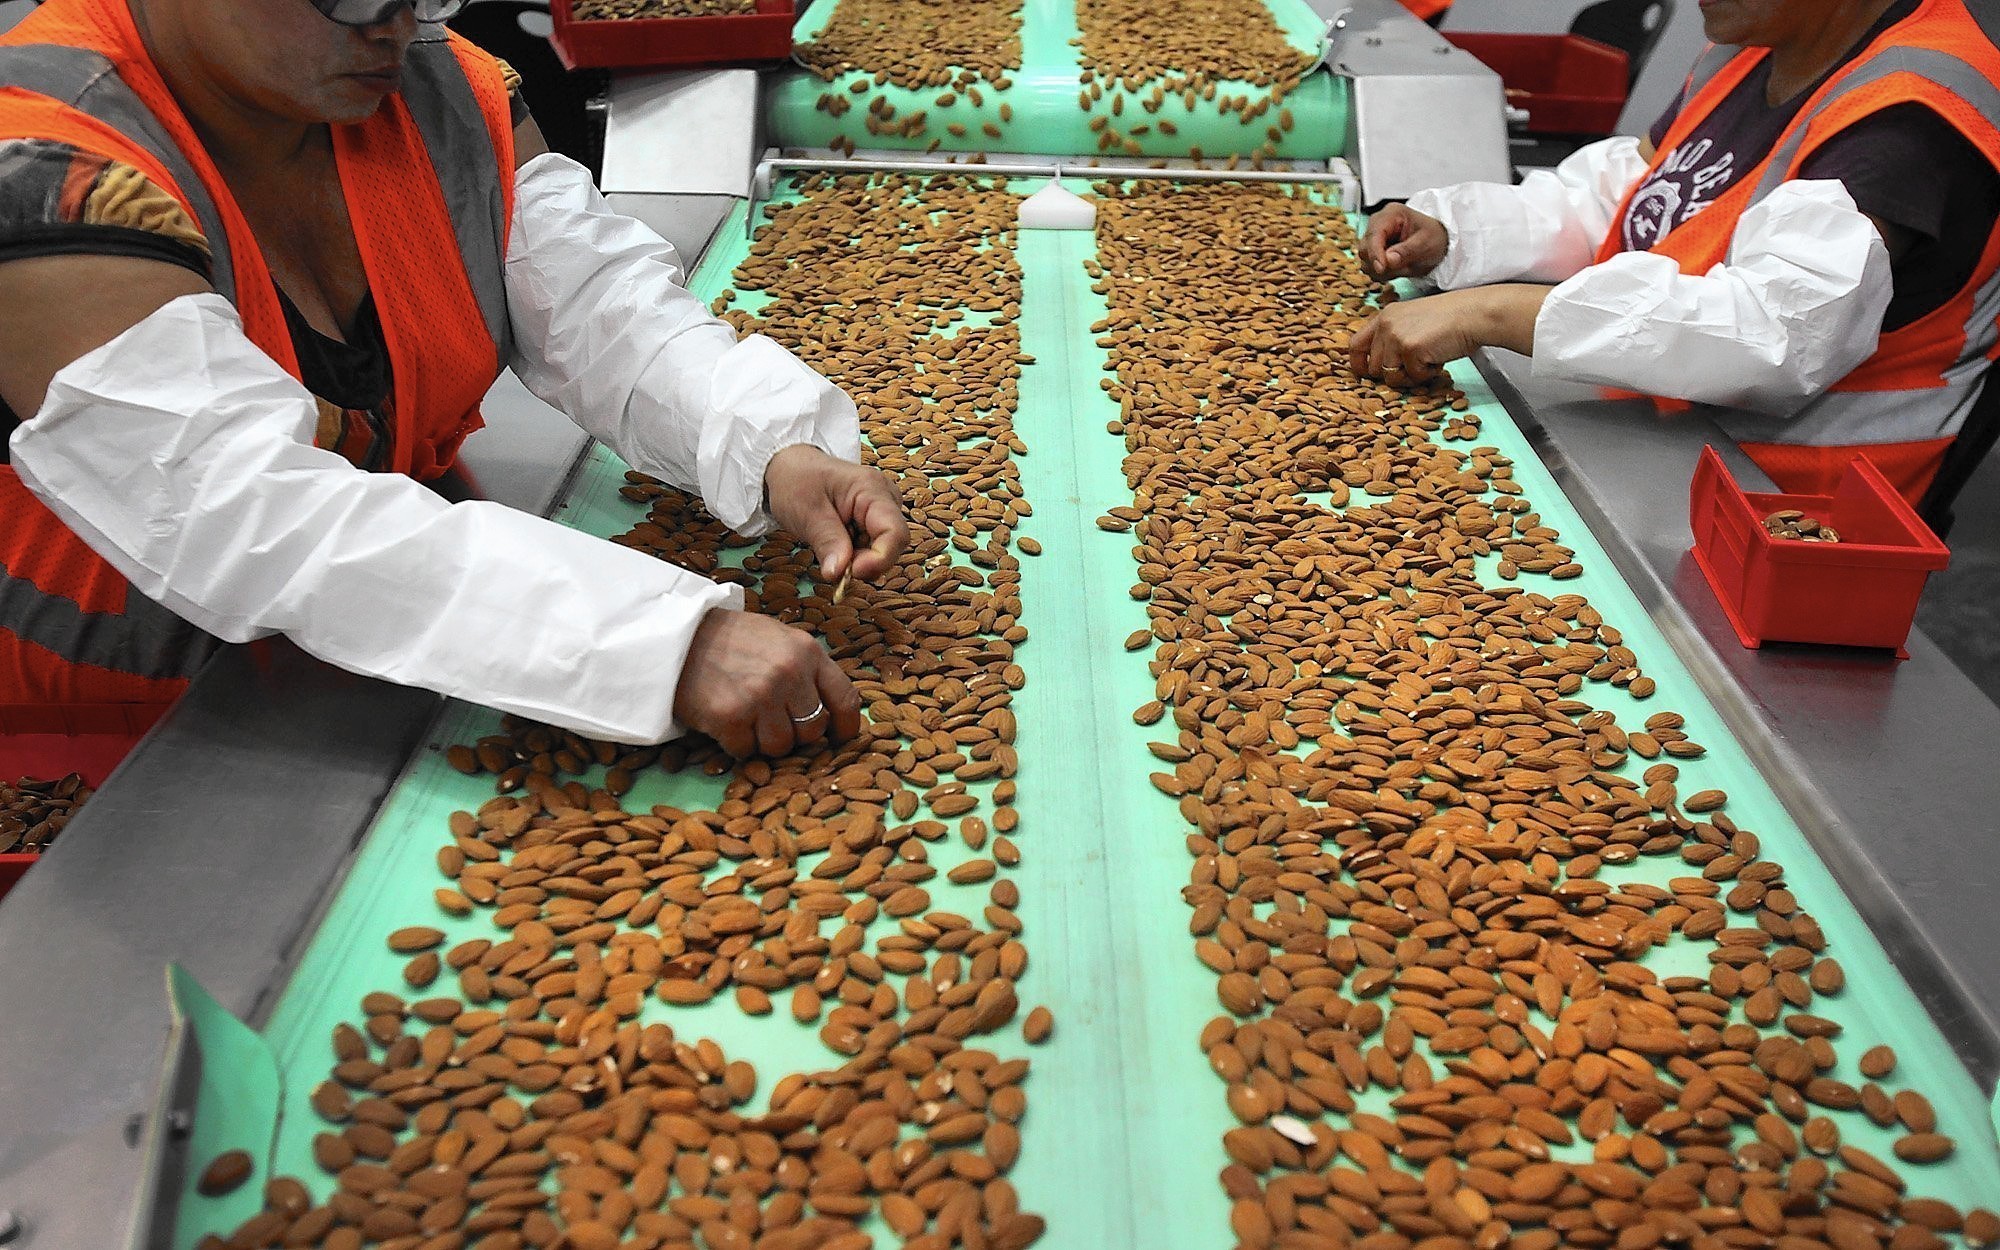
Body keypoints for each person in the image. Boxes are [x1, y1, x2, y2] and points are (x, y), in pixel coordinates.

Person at [0, 0, 912, 758]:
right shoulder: (42, 166)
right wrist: (659, 640)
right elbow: (238, 504)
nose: (395, 25)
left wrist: (767, 443)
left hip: (397, 669)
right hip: (123, 743)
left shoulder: (437, 86)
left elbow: (593, 306)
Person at [1351, 0, 2000, 505]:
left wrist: (1491, 314)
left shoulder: (1911, 114)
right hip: (1655, 434)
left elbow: (1772, 335)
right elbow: (1640, 198)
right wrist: (1459, 231)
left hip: (1781, 507)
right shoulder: (1759, 39)